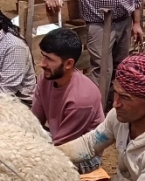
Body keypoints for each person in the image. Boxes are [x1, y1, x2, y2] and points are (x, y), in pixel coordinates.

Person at [31, 28, 105, 173]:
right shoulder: (46, 78)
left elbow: (63, 147)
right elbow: (34, 121)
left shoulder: (82, 99)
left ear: (68, 64)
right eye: (43, 56)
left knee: (34, 171)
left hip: (83, 155)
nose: (42, 64)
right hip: (57, 140)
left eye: (50, 59)